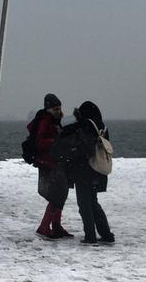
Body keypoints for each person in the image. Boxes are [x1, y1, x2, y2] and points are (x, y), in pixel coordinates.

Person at [61, 101, 115, 245]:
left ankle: (90, 236)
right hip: (98, 169)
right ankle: (106, 234)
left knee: (84, 203)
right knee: (93, 202)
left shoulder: (85, 125)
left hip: (84, 170)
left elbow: (75, 141)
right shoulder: (103, 127)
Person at [28, 92, 73, 239]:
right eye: (56, 109)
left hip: (53, 161)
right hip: (48, 162)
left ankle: (55, 226)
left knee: (59, 194)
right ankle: (45, 227)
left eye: (60, 108)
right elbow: (40, 142)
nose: (59, 111)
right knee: (57, 195)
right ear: (49, 109)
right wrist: (57, 141)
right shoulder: (46, 121)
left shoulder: (53, 120)